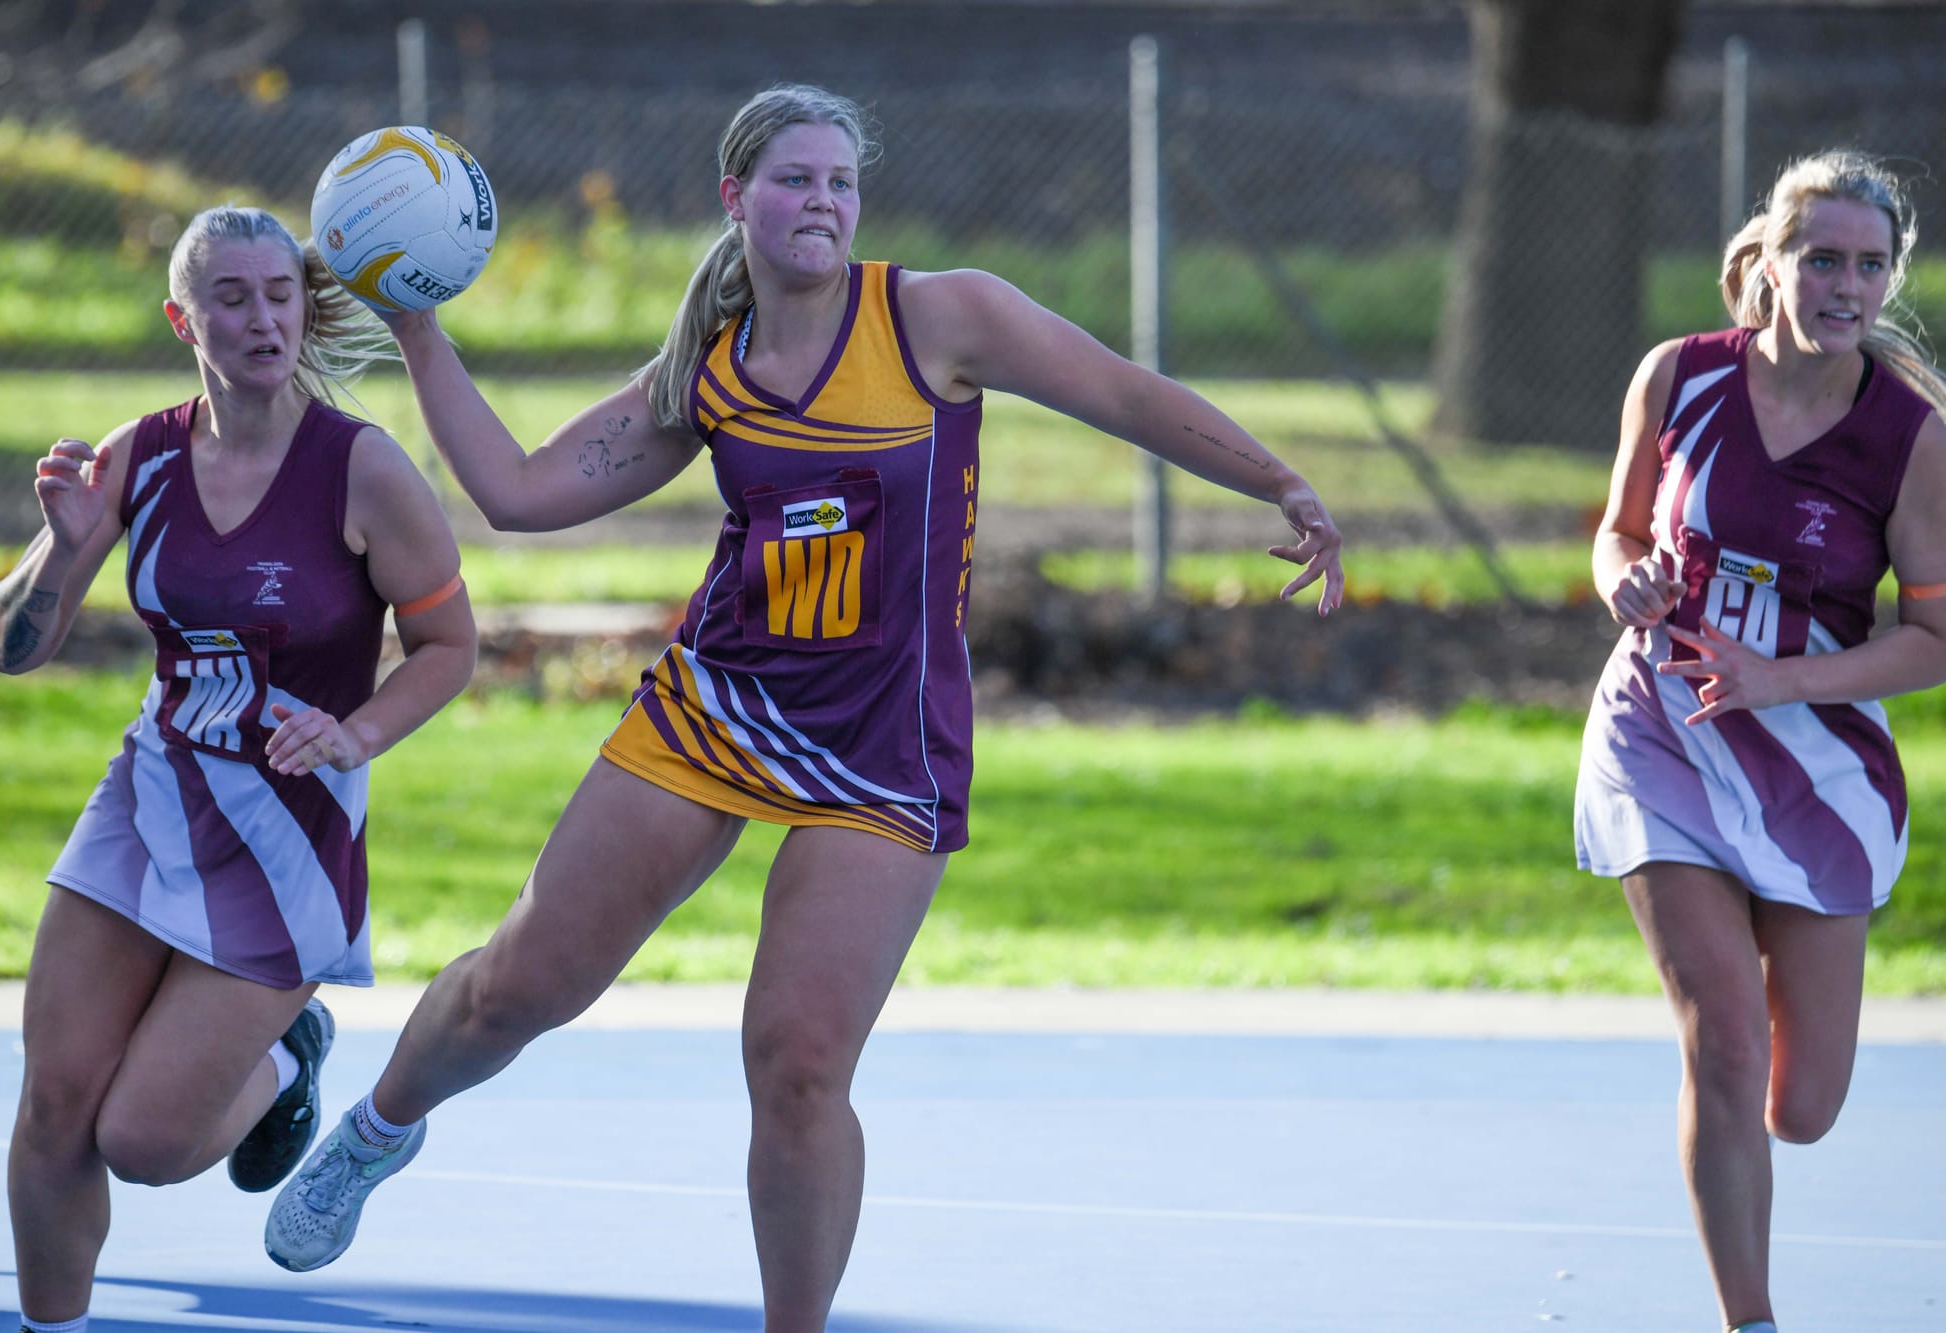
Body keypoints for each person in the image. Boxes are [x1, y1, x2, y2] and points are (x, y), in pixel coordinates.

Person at [262, 83, 1343, 1330]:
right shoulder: (707, 370)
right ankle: (380, 1126)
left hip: (883, 743)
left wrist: (1280, 482)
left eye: (840, 181)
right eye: (794, 179)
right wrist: (416, 329)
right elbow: (516, 490)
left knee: (798, 1063)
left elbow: (1123, 391)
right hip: (716, 707)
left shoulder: (940, 317)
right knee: (520, 984)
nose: (821, 201)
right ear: (737, 197)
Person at [0, 205, 476, 1333]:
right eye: (233, 298)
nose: (263, 320)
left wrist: (358, 734)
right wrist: (61, 547)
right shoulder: (139, 455)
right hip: (151, 795)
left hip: (288, 837)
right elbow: (12, 648)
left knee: (143, 1143)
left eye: (280, 294)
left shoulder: (361, 468)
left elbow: (450, 648)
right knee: (54, 1107)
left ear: (302, 308)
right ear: (183, 320)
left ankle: (289, 1062)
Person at [1575, 150, 1946, 1333]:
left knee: (1801, 1106)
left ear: (1890, 279)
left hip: (1816, 768)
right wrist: (1624, 582)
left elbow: (1932, 641)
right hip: (1660, 731)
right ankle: (1751, 1321)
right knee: (1725, 1043)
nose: (1846, 285)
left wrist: (1780, 680)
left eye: (1868, 265)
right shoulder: (1677, 375)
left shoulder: (1910, 439)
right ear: (1771, 264)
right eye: (1822, 259)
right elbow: (1616, 530)